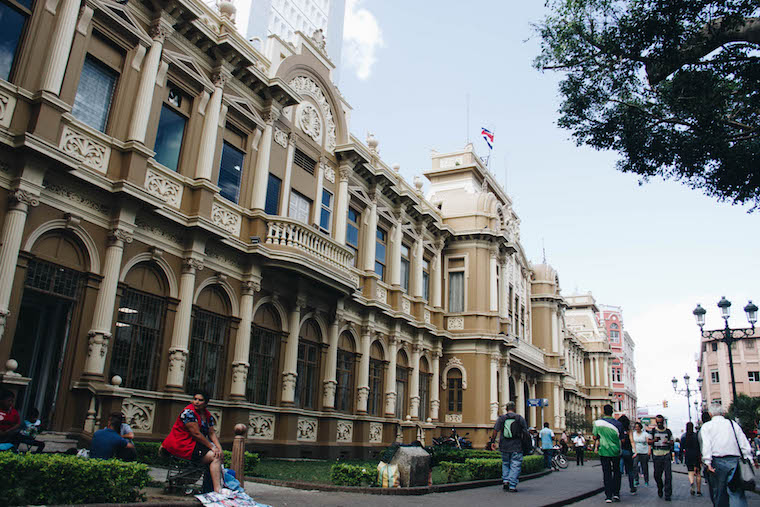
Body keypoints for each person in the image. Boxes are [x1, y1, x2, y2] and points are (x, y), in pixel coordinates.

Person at [162, 391, 224, 493]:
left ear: (206, 403)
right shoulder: (188, 413)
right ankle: (217, 490)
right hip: (181, 444)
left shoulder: (207, 415)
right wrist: (212, 447)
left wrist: (219, 448)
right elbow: (196, 434)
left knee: (218, 455)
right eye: (195, 399)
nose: (196, 402)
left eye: (200, 400)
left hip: (194, 444)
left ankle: (209, 489)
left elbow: (211, 433)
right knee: (214, 456)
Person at [700, 404, 752, 507]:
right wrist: (748, 457)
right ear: (723, 413)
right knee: (737, 493)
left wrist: (707, 462)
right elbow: (743, 443)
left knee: (720, 494)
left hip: (717, 462)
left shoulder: (706, 427)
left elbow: (707, 446)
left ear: (710, 414)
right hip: (735, 461)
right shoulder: (732, 424)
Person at [489, 401, 528, 493]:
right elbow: (525, 432)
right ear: (514, 408)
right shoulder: (519, 418)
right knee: (515, 464)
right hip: (517, 446)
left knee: (506, 463)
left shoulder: (502, 418)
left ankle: (506, 480)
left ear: (506, 409)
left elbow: (495, 431)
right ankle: (512, 485)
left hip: (504, 446)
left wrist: (492, 442)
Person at [593, 404, 624, 503]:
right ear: (612, 412)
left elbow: (594, 437)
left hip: (604, 450)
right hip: (616, 451)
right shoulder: (618, 424)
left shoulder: (597, 423)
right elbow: (622, 439)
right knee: (617, 472)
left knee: (606, 473)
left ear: (603, 411)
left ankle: (608, 496)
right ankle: (616, 494)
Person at [648, 414, 673, 501]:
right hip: (656, 454)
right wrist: (654, 440)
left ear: (663, 422)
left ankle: (667, 494)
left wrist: (669, 442)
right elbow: (649, 441)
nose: (659, 424)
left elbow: (672, 441)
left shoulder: (668, 431)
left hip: (666, 454)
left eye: (661, 422)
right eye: (658, 422)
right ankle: (660, 486)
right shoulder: (653, 431)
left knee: (668, 475)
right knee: (657, 475)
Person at [681, 422, 702, 497]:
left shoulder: (684, 436)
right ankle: (699, 490)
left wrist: (681, 457)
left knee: (690, 472)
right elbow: (700, 446)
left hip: (688, 455)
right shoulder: (696, 436)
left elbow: (681, 447)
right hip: (696, 455)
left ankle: (692, 483)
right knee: (698, 473)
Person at [618, 415, 636, 494]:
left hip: (619, 452)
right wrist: (635, 450)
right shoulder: (629, 431)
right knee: (630, 471)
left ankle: (616, 490)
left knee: (618, 471)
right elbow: (632, 441)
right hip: (628, 451)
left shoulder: (617, 430)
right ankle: (632, 487)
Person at [632, 421, 650, 487]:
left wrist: (649, 451)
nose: (637, 428)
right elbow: (632, 442)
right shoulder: (633, 434)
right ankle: (636, 480)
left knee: (644, 467)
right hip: (636, 452)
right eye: (636, 427)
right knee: (635, 466)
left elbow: (649, 443)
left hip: (644, 452)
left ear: (640, 427)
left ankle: (646, 480)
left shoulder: (645, 434)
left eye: (638, 427)